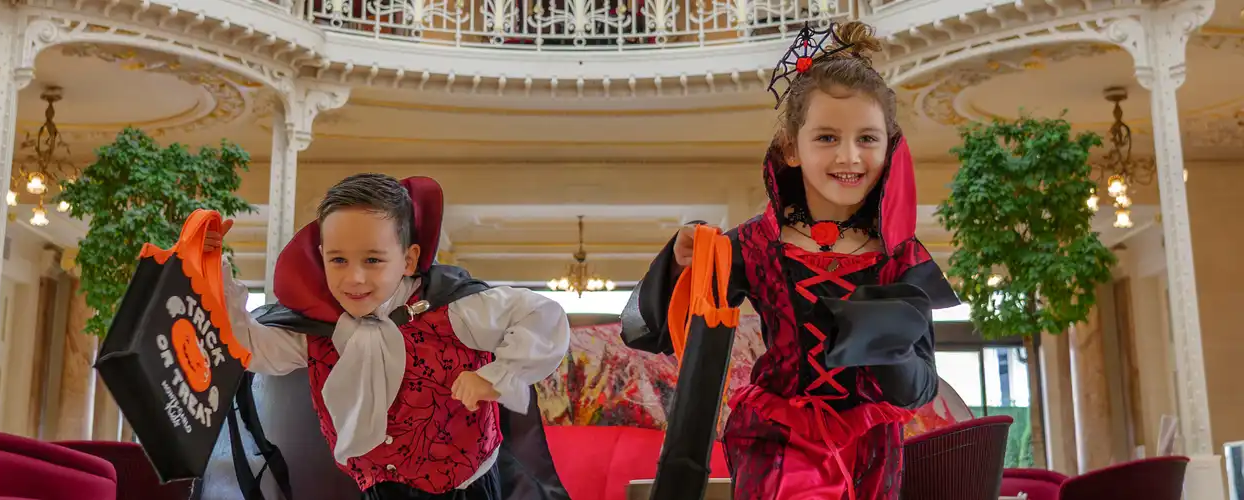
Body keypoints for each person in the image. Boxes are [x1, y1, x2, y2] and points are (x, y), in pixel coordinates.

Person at [620, 21, 962, 500]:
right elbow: (650, 332)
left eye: (868, 138)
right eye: (826, 137)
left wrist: (890, 347)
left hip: (871, 447)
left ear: (891, 146)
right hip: (775, 440)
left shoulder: (902, 259)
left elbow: (918, 390)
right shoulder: (753, 244)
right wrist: (681, 267)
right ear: (790, 147)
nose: (849, 155)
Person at [207, 173, 572, 500]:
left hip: (463, 488)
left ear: (409, 259)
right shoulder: (321, 330)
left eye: (372, 260)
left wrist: (494, 377)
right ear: (321, 258)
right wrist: (211, 272)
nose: (355, 279)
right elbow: (251, 348)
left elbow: (541, 315)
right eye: (338, 261)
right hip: (378, 489)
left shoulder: (456, 310)